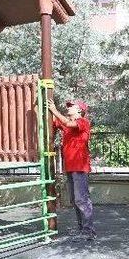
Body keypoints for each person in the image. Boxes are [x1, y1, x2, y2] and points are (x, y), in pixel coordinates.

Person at [47, 98, 96, 240]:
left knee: (82, 199)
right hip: (69, 167)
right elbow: (55, 123)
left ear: (79, 110)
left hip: (80, 167)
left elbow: (67, 123)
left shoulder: (83, 122)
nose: (68, 108)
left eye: (71, 106)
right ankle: (83, 230)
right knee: (75, 200)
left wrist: (54, 110)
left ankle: (89, 231)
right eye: (68, 106)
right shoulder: (67, 125)